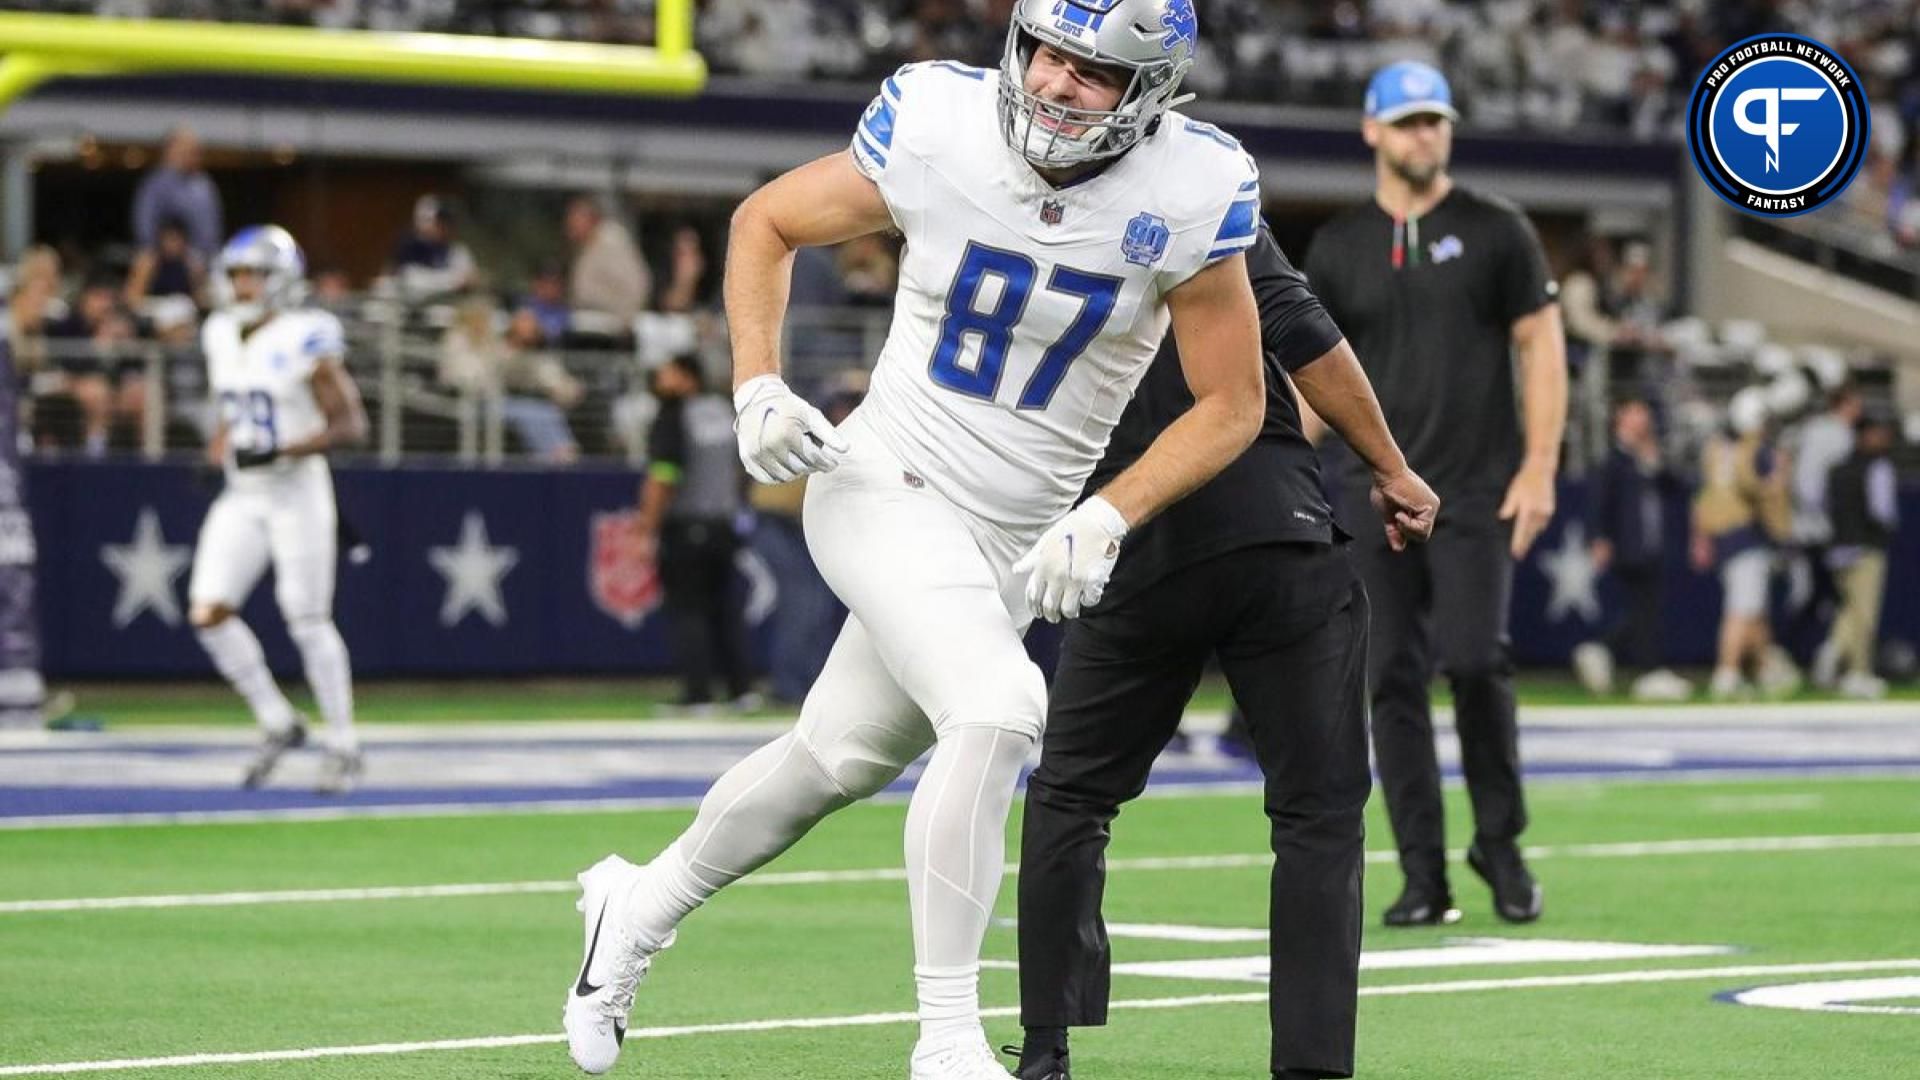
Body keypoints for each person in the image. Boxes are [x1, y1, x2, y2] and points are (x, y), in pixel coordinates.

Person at [560, 2, 1270, 1077]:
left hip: (1017, 539)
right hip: (886, 479)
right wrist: (757, 386)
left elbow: (1232, 402)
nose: (1056, 83)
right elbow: (766, 222)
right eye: (1047, 51)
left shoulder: (1192, 189)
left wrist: (1109, 510)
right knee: (998, 711)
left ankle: (633, 906)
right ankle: (945, 1041)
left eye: (1093, 72)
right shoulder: (940, 121)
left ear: (1154, 94)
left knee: (834, 759)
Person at [1012, 220, 1438, 1080]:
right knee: (1319, 818)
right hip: (1271, 529)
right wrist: (1390, 467)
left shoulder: (1016, 211)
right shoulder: (1205, 197)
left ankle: (1047, 1051)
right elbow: (1312, 342)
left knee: (1070, 798)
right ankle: (1313, 1069)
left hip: (1133, 538)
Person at [1304, 61, 1568, 927]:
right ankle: (1424, 874)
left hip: (1472, 489)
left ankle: (1500, 841)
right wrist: (1279, 471)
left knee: (1477, 660)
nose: (1426, 134)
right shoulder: (1339, 245)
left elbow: (1542, 346)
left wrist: (1538, 467)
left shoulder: (1498, 231)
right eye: (1409, 120)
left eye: (1436, 120)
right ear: (1373, 131)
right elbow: (1312, 379)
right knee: (1389, 681)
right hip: (1366, 491)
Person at [186, 226, 369, 794]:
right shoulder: (220, 332)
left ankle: (343, 743)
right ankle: (277, 719)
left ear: (280, 279)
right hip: (245, 493)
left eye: (253, 274)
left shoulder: (305, 335)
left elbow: (352, 425)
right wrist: (219, 448)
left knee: (306, 618)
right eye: (236, 274)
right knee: (207, 611)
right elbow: (233, 404)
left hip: (296, 492)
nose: (242, 285)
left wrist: (282, 449)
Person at [638, 354, 754, 709]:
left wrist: (646, 528)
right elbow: (744, 466)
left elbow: (664, 476)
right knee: (724, 608)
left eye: (668, 374)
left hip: (686, 523)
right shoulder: (723, 411)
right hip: (723, 523)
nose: (660, 381)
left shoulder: (674, 415)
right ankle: (740, 690)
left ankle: (698, 693)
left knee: (688, 610)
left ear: (688, 377)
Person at [1573, 398, 1691, 700]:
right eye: (1636, 413)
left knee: (1646, 610)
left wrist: (1654, 461)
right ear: (1621, 417)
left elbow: (1678, 485)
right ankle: (1638, 665)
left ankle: (1611, 654)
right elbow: (1597, 502)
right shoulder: (1613, 460)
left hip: (1653, 544)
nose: (1643, 419)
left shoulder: (1649, 457)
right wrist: (1597, 538)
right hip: (1630, 544)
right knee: (1643, 610)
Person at [1692, 387, 1796, 700]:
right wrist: (1778, 476)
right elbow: (1756, 488)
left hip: (1726, 538)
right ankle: (1727, 672)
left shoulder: (1717, 450)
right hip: (1747, 536)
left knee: (1755, 611)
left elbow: (1704, 499)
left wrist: (1701, 536)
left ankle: (1764, 669)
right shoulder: (1754, 451)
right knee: (1741, 610)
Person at [1816, 411, 1900, 699]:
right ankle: (1858, 672)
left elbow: (1822, 505)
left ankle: (1833, 650)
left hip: (1838, 548)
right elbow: (1883, 511)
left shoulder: (1836, 468)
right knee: (1865, 614)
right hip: (1865, 547)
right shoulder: (1878, 467)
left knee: (1848, 610)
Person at [133, 126, 223, 259]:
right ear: (171, 151)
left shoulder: (205, 185)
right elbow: (144, 225)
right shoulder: (156, 184)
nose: (195, 156)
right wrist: (155, 250)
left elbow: (213, 229)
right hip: (163, 259)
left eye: (196, 152)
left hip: (202, 259)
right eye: (189, 151)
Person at [565, 194, 650, 332]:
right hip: (591, 322)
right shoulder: (587, 245)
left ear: (591, 220)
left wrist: (622, 319)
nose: (570, 226)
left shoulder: (612, 243)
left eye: (574, 220)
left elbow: (637, 288)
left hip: (611, 326)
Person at [389, 195, 477, 303]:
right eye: (439, 223)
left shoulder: (458, 251)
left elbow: (469, 280)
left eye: (449, 223)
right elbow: (411, 279)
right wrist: (452, 281)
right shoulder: (411, 246)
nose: (444, 228)